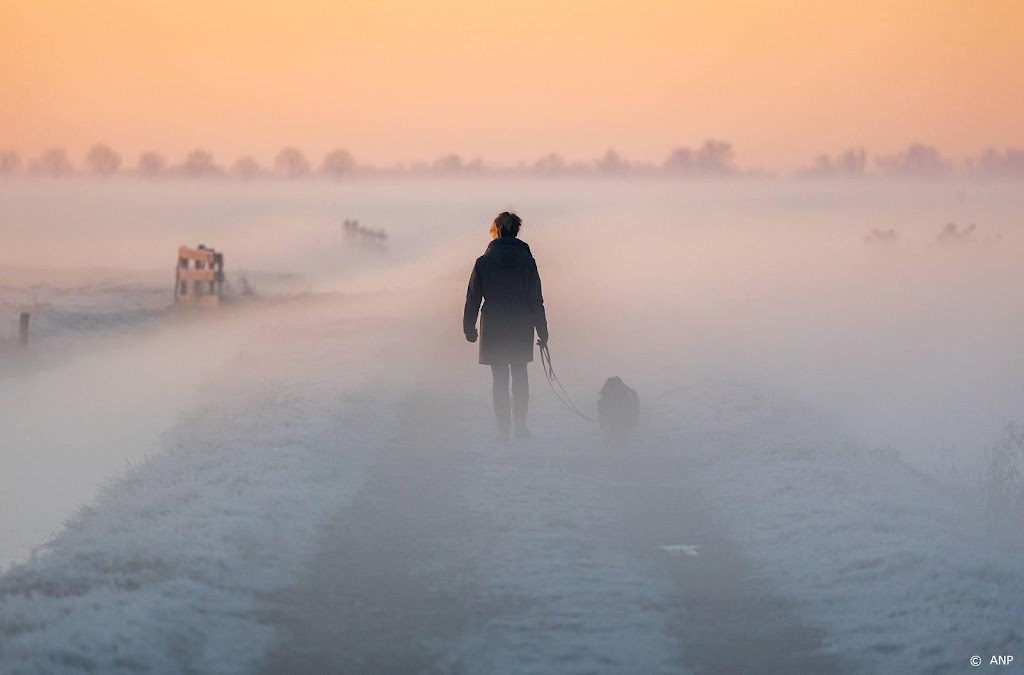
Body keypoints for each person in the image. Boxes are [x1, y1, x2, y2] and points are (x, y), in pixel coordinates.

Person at [464, 212, 549, 441]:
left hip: (494, 327)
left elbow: (473, 298)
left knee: (499, 379)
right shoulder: (527, 261)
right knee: (520, 375)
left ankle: (503, 432)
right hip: (521, 324)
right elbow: (536, 299)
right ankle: (520, 428)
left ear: (497, 230)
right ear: (515, 231)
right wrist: (543, 331)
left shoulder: (483, 262)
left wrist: (469, 328)